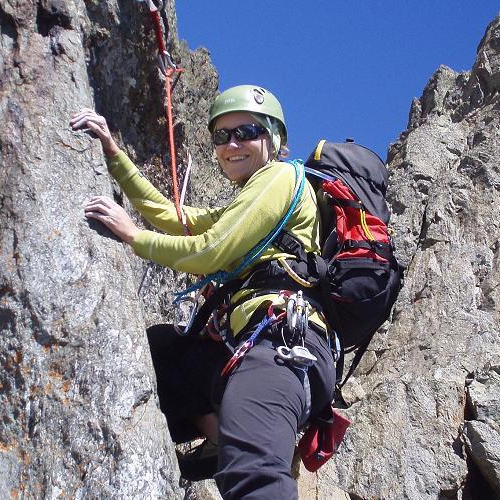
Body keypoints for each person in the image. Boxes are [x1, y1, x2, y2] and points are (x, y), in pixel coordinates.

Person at [70, 85, 336, 499]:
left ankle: (238, 441)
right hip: (247, 344)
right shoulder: (248, 198)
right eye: (221, 136)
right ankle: (220, 434)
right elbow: (176, 217)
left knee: (254, 473)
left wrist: (133, 237)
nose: (231, 144)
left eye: (245, 131)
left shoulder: (280, 177)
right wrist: (112, 154)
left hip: (282, 347)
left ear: (274, 140)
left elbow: (210, 249)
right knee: (164, 349)